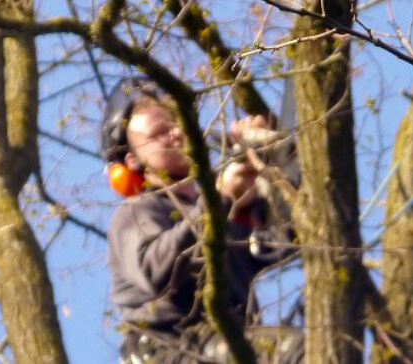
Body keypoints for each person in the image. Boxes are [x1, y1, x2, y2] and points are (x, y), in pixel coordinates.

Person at [100, 79, 296, 363]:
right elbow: (159, 271)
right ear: (132, 160)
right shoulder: (136, 213)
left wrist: (269, 180)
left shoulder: (214, 210)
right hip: (169, 349)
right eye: (160, 133)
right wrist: (220, 199)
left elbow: (284, 243)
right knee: (294, 351)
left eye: (176, 125)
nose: (177, 134)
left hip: (226, 343)